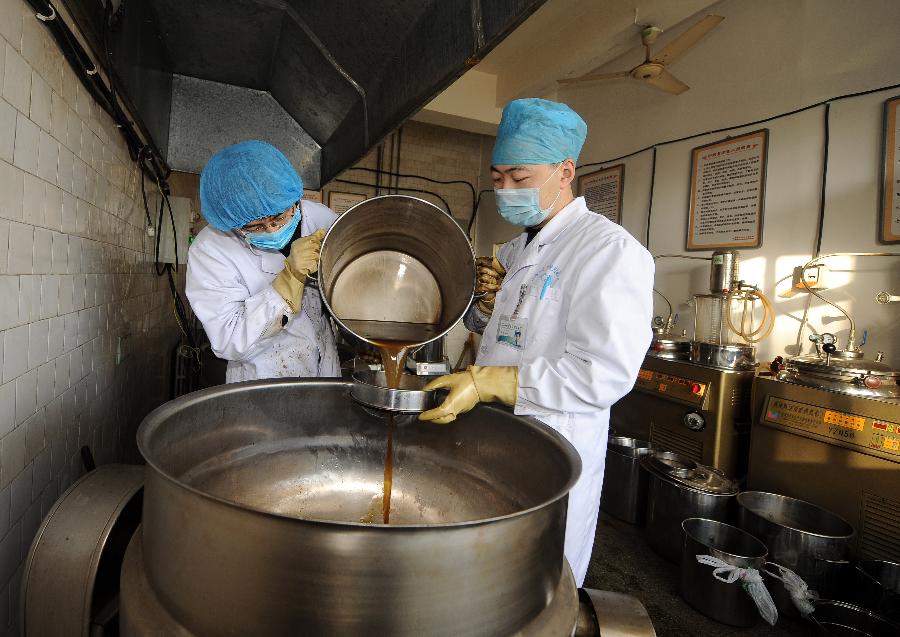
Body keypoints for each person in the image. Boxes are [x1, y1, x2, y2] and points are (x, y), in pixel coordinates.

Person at [419, 98, 654, 586]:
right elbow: (506, 335)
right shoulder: (514, 246)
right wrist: (483, 304)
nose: (505, 190)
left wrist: (488, 383)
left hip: (555, 439)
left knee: (538, 581)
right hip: (498, 434)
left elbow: (603, 373)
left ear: (565, 171)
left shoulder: (609, 251)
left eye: (520, 178)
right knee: (486, 574)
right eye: (498, 176)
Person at [186, 140, 340, 382]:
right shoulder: (211, 250)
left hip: (326, 371)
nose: (271, 229)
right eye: (255, 226)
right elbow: (228, 340)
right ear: (233, 224)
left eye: (279, 216)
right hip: (263, 379)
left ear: (294, 200)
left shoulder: (320, 218)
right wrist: (288, 283)